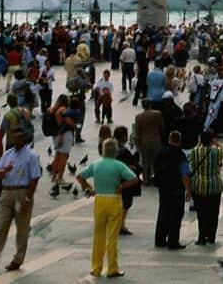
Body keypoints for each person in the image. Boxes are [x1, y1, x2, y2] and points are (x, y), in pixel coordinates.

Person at [77, 137, 140, 278]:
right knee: (112, 237)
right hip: (114, 200)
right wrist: (121, 186)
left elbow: (80, 176)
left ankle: (96, 268)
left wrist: (89, 188)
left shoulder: (96, 164)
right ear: (115, 151)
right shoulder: (118, 165)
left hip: (99, 200)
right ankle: (112, 268)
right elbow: (134, 179)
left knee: (98, 236)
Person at [0, 130, 41, 272]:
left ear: (24, 139)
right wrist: (4, 171)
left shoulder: (31, 156)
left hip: (22, 191)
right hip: (7, 191)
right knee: (1, 226)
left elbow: (35, 177)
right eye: (14, 137)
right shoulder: (7, 154)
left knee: (22, 229)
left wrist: (28, 197)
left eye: (19, 138)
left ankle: (17, 260)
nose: (15, 140)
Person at [153, 130, 190, 250]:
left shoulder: (160, 152)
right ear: (179, 141)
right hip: (177, 188)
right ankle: (173, 241)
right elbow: (185, 173)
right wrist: (188, 190)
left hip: (163, 188)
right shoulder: (180, 154)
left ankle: (160, 239)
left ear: (169, 139)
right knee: (176, 214)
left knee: (163, 212)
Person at [188, 129, 223, 245]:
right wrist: (216, 143)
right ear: (211, 140)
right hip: (214, 186)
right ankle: (211, 236)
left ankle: (201, 237)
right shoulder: (216, 151)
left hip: (199, 186)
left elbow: (189, 161)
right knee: (213, 213)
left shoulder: (195, 151)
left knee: (201, 213)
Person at [132, 99, 164, 185]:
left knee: (145, 160)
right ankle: (155, 178)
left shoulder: (138, 117)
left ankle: (146, 179)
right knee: (155, 160)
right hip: (156, 139)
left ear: (142, 106)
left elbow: (137, 132)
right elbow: (161, 126)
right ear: (150, 105)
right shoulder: (158, 114)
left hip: (144, 140)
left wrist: (137, 144)